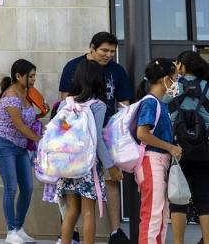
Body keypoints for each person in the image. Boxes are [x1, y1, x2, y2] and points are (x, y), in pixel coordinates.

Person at [58, 32, 133, 244]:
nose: (109, 55)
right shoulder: (97, 105)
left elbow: (61, 125)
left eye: (112, 51)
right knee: (88, 211)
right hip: (89, 159)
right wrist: (109, 165)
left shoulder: (67, 103)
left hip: (68, 158)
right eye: (104, 50)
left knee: (72, 209)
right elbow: (97, 137)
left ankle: (109, 233)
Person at [0, 59, 41, 244]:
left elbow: (28, 118)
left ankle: (19, 228)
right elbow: (19, 125)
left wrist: (41, 112)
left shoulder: (26, 93)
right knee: (11, 188)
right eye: (31, 76)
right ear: (18, 76)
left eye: (35, 75)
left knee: (27, 189)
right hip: (4, 145)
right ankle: (10, 231)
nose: (34, 79)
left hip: (20, 146)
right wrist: (40, 140)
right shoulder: (11, 96)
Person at [135, 58, 182, 244]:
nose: (175, 83)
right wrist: (170, 147)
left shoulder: (156, 102)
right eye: (174, 78)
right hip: (152, 160)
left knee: (161, 213)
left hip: (156, 161)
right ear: (165, 79)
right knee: (153, 214)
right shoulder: (151, 102)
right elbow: (142, 133)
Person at [169, 51, 209, 244]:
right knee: (204, 199)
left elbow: (160, 107)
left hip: (178, 149)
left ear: (181, 66)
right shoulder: (207, 86)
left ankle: (178, 243)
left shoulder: (173, 87)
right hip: (204, 150)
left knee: (178, 198)